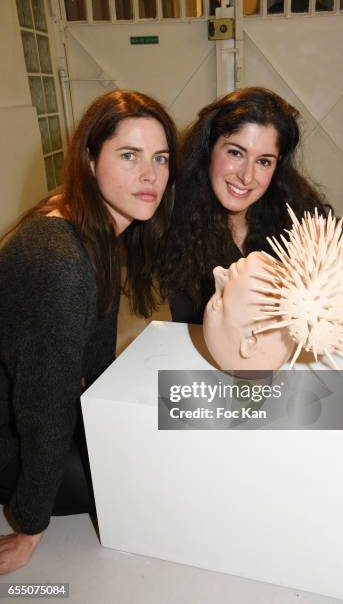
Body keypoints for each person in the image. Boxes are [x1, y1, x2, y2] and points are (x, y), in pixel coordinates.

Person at [0, 90, 177, 574]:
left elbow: (91, 356)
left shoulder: (88, 223)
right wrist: (30, 528)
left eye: (160, 158)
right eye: (129, 155)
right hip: (12, 447)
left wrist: (113, 419)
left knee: (160, 432)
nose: (150, 175)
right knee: (154, 478)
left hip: (26, 423)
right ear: (89, 159)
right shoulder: (62, 262)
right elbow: (43, 406)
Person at [159, 87, 327, 324]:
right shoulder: (169, 216)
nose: (247, 177)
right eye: (236, 153)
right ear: (209, 148)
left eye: (264, 161)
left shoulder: (298, 216)